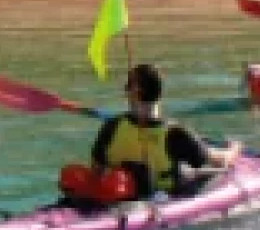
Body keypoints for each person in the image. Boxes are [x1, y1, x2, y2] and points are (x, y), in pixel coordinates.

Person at [67, 64, 239, 207]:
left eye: (127, 86)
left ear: (135, 92)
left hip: (118, 196)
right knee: (203, 171)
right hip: (164, 197)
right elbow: (219, 161)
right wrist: (234, 149)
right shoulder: (176, 133)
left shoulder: (111, 126)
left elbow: (96, 171)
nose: (124, 90)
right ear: (160, 94)